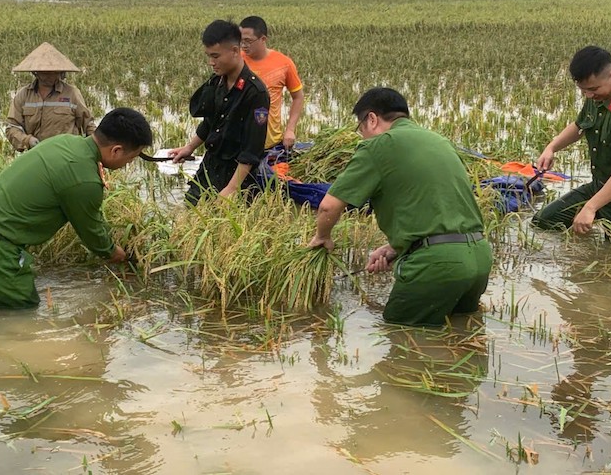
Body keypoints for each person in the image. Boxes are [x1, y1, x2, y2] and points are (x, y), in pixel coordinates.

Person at [308, 87, 493, 326]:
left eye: (360, 128)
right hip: (479, 258)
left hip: (438, 266)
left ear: (372, 119)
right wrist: (398, 248)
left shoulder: (379, 146)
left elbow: (328, 207)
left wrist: (322, 237)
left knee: (398, 338)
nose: (361, 136)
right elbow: (440, 210)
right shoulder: (439, 141)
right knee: (460, 338)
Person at [0, 108, 152, 309]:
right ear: (116, 150)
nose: (128, 164)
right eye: (131, 158)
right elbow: (93, 234)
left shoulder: (65, 142)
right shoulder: (84, 180)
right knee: (20, 322)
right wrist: (119, 255)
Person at [532, 46, 611, 239]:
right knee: (544, 221)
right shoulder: (598, 96)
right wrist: (551, 148)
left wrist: (590, 207)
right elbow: (581, 125)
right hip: (599, 187)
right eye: (583, 90)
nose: (588, 95)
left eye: (593, 89)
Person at [169, 20, 270, 204]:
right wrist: (189, 148)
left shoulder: (255, 92)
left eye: (215, 56)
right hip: (210, 166)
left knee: (229, 225)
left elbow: (252, 148)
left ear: (234, 50)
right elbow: (209, 123)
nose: (211, 63)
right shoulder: (216, 82)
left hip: (238, 175)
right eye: (208, 56)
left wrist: (231, 189)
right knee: (192, 209)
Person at [5, 42, 96, 152]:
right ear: (36, 73)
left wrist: (96, 148)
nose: (50, 76)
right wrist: (27, 140)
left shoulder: (72, 94)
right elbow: (12, 127)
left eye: (54, 72)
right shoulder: (24, 96)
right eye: (45, 72)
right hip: (36, 155)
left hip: (67, 155)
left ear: (60, 72)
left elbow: (88, 125)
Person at [239, 16, 304, 149]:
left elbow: (298, 97)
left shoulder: (284, 63)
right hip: (239, 142)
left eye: (248, 41)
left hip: (269, 142)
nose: (243, 46)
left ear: (263, 39)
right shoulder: (236, 61)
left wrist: (290, 129)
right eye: (241, 41)